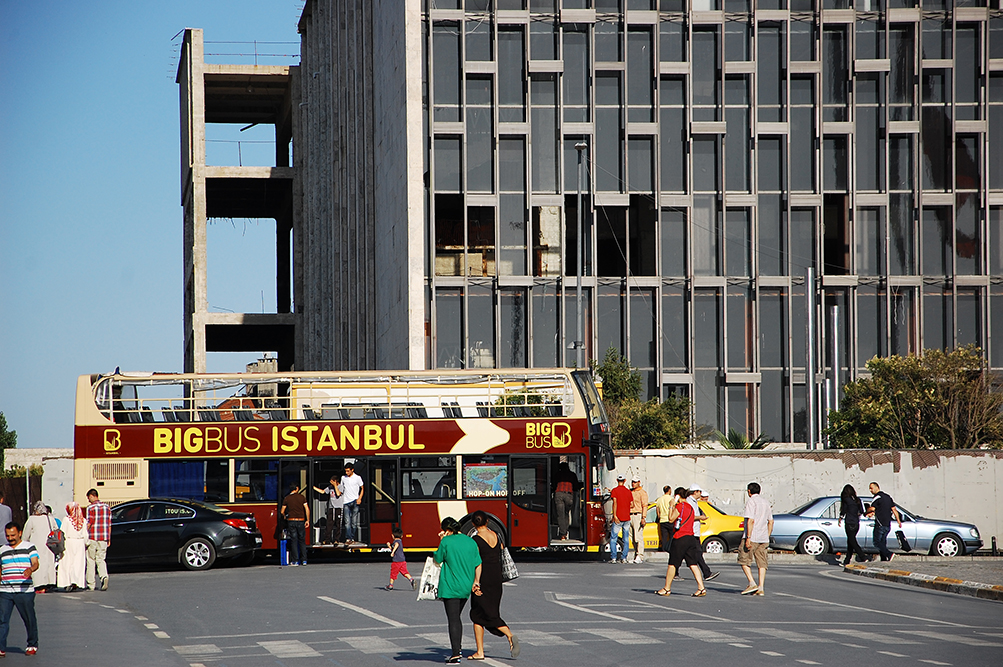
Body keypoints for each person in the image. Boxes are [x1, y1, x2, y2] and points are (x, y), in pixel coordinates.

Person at [467, 511, 519, 660]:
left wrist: (475, 582)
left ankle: (509, 636)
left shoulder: (475, 540)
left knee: (481, 614)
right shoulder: (496, 535)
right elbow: (501, 551)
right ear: (488, 521)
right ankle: (480, 651)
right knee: (484, 613)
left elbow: (477, 563)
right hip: (496, 578)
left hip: (483, 579)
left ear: (473, 524)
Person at [433, 517, 482, 664]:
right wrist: (476, 582)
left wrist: (441, 540)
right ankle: (457, 650)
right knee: (457, 616)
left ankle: (456, 652)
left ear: (447, 530)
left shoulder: (446, 541)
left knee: (453, 619)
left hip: (451, 586)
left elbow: (437, 559)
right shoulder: (470, 541)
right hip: (466, 586)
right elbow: (478, 563)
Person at [657, 487, 706, 597]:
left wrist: (671, 505)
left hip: (680, 538)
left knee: (672, 564)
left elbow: (670, 519)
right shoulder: (690, 507)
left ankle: (667, 588)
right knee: (693, 563)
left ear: (677, 496)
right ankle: (701, 588)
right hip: (691, 537)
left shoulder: (679, 506)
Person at [0, 523, 39, 657]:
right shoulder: (2, 549)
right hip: (5, 591)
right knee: (2, 620)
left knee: (28, 619)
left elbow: (35, 562)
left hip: (25, 591)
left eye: (13, 535)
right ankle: (1, 647)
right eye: (8, 535)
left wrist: (30, 569)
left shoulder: (29, 547)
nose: (10, 538)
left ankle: (32, 644)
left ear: (20, 533)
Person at [739, 482, 774, 596]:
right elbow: (771, 521)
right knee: (762, 562)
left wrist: (748, 537)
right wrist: (767, 535)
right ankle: (761, 587)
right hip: (763, 537)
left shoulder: (751, 502)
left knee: (743, 559)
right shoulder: (765, 502)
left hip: (753, 535)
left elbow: (751, 520)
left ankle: (751, 582)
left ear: (749, 491)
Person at [21, 503, 55, 592]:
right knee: (48, 563)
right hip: (49, 545)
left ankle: (39, 585)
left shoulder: (32, 519)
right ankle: (49, 583)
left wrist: (23, 543)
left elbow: (26, 534)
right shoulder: (50, 519)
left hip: (36, 545)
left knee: (38, 564)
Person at [686, 484, 718, 581]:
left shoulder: (694, 502)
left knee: (695, 553)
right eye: (699, 492)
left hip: (695, 531)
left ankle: (706, 572)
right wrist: (700, 517)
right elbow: (688, 516)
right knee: (697, 553)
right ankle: (706, 573)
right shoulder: (689, 502)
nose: (700, 494)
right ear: (695, 492)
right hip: (691, 532)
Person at [866, 482, 901, 562]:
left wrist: (866, 511)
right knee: (883, 543)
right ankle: (884, 559)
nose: (870, 490)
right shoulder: (888, 497)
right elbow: (894, 510)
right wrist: (898, 521)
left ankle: (889, 554)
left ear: (876, 487)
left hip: (880, 524)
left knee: (876, 542)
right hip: (887, 524)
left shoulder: (877, 497)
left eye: (871, 488)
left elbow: (872, 509)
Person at [58, 503, 87, 591]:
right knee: (78, 564)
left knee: (67, 563)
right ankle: (77, 582)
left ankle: (67, 582)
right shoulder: (83, 521)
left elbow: (62, 532)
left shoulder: (66, 520)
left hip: (69, 542)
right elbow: (86, 535)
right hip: (80, 543)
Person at [85, 489, 110, 591]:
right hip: (103, 537)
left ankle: (91, 584)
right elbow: (109, 523)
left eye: (88, 498)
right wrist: (108, 538)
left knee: (91, 560)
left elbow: (90, 522)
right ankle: (104, 576)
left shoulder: (90, 508)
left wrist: (86, 532)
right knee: (101, 559)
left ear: (92, 496)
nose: (88, 500)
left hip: (93, 537)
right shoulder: (107, 507)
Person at [280, 484, 310, 566]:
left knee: (294, 540)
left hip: (291, 521)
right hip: (301, 520)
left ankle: (295, 561)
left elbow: (282, 511)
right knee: (302, 540)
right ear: (297, 489)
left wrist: (285, 517)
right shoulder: (302, 497)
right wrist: (307, 520)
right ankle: (304, 560)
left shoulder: (287, 498)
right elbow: (307, 509)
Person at [838, 484, 867, 565]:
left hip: (849, 522)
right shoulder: (858, 500)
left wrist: (840, 518)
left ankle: (863, 556)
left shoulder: (846, 499)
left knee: (852, 541)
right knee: (850, 541)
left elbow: (843, 510)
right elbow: (861, 511)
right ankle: (847, 561)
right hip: (856, 523)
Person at [312, 475, 343, 545]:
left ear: (335, 481)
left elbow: (338, 494)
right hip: (331, 507)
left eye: (332, 482)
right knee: (329, 524)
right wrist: (314, 488)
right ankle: (327, 539)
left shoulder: (341, 487)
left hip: (338, 507)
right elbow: (323, 492)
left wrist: (335, 486)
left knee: (338, 524)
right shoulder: (330, 487)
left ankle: (336, 539)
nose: (331, 483)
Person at [608, 475, 632, 563]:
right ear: (625, 480)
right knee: (626, 539)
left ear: (617, 480)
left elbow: (615, 503)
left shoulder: (614, 491)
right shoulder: (628, 492)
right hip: (627, 517)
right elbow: (632, 504)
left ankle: (613, 557)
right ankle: (624, 558)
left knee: (613, 538)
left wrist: (614, 515)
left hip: (618, 517)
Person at [553, 462, 579, 540]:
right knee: (567, 513)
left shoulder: (557, 475)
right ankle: (566, 530)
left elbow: (553, 485)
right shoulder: (572, 475)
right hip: (569, 495)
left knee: (560, 515)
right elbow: (576, 486)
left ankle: (562, 534)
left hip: (559, 494)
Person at [340, 462, 365, 544]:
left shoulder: (357, 478)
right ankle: (348, 538)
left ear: (352, 470)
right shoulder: (343, 478)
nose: (346, 473)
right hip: (346, 501)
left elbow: (362, 488)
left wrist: (360, 498)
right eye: (346, 471)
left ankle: (352, 537)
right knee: (347, 521)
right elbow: (341, 488)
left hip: (355, 501)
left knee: (354, 522)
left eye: (348, 471)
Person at [628, 477, 649, 563]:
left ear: (639, 482)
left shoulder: (642, 493)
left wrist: (643, 517)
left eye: (635, 482)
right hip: (630, 514)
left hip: (638, 514)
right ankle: (636, 554)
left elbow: (645, 505)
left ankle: (640, 555)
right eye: (632, 482)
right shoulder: (631, 492)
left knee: (638, 537)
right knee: (632, 537)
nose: (633, 483)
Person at [655, 485, 675, 553]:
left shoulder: (659, 499)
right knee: (672, 536)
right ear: (669, 490)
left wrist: (659, 517)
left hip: (662, 520)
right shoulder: (671, 499)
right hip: (670, 519)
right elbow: (674, 509)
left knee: (664, 537)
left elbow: (657, 509)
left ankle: (664, 549)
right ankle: (671, 548)